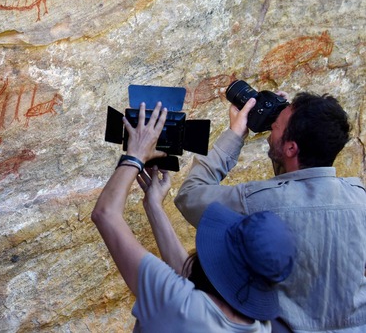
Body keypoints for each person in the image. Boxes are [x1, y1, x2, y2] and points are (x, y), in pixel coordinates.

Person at [92, 102, 296, 332]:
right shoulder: (260, 326)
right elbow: (190, 278)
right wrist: (153, 206)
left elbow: (105, 214)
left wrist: (135, 155)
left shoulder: (177, 303)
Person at [175, 92, 366, 332]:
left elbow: (189, 195)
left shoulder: (259, 202)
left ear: (291, 147)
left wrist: (235, 135)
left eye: (275, 126)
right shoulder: (360, 197)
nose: (271, 127)